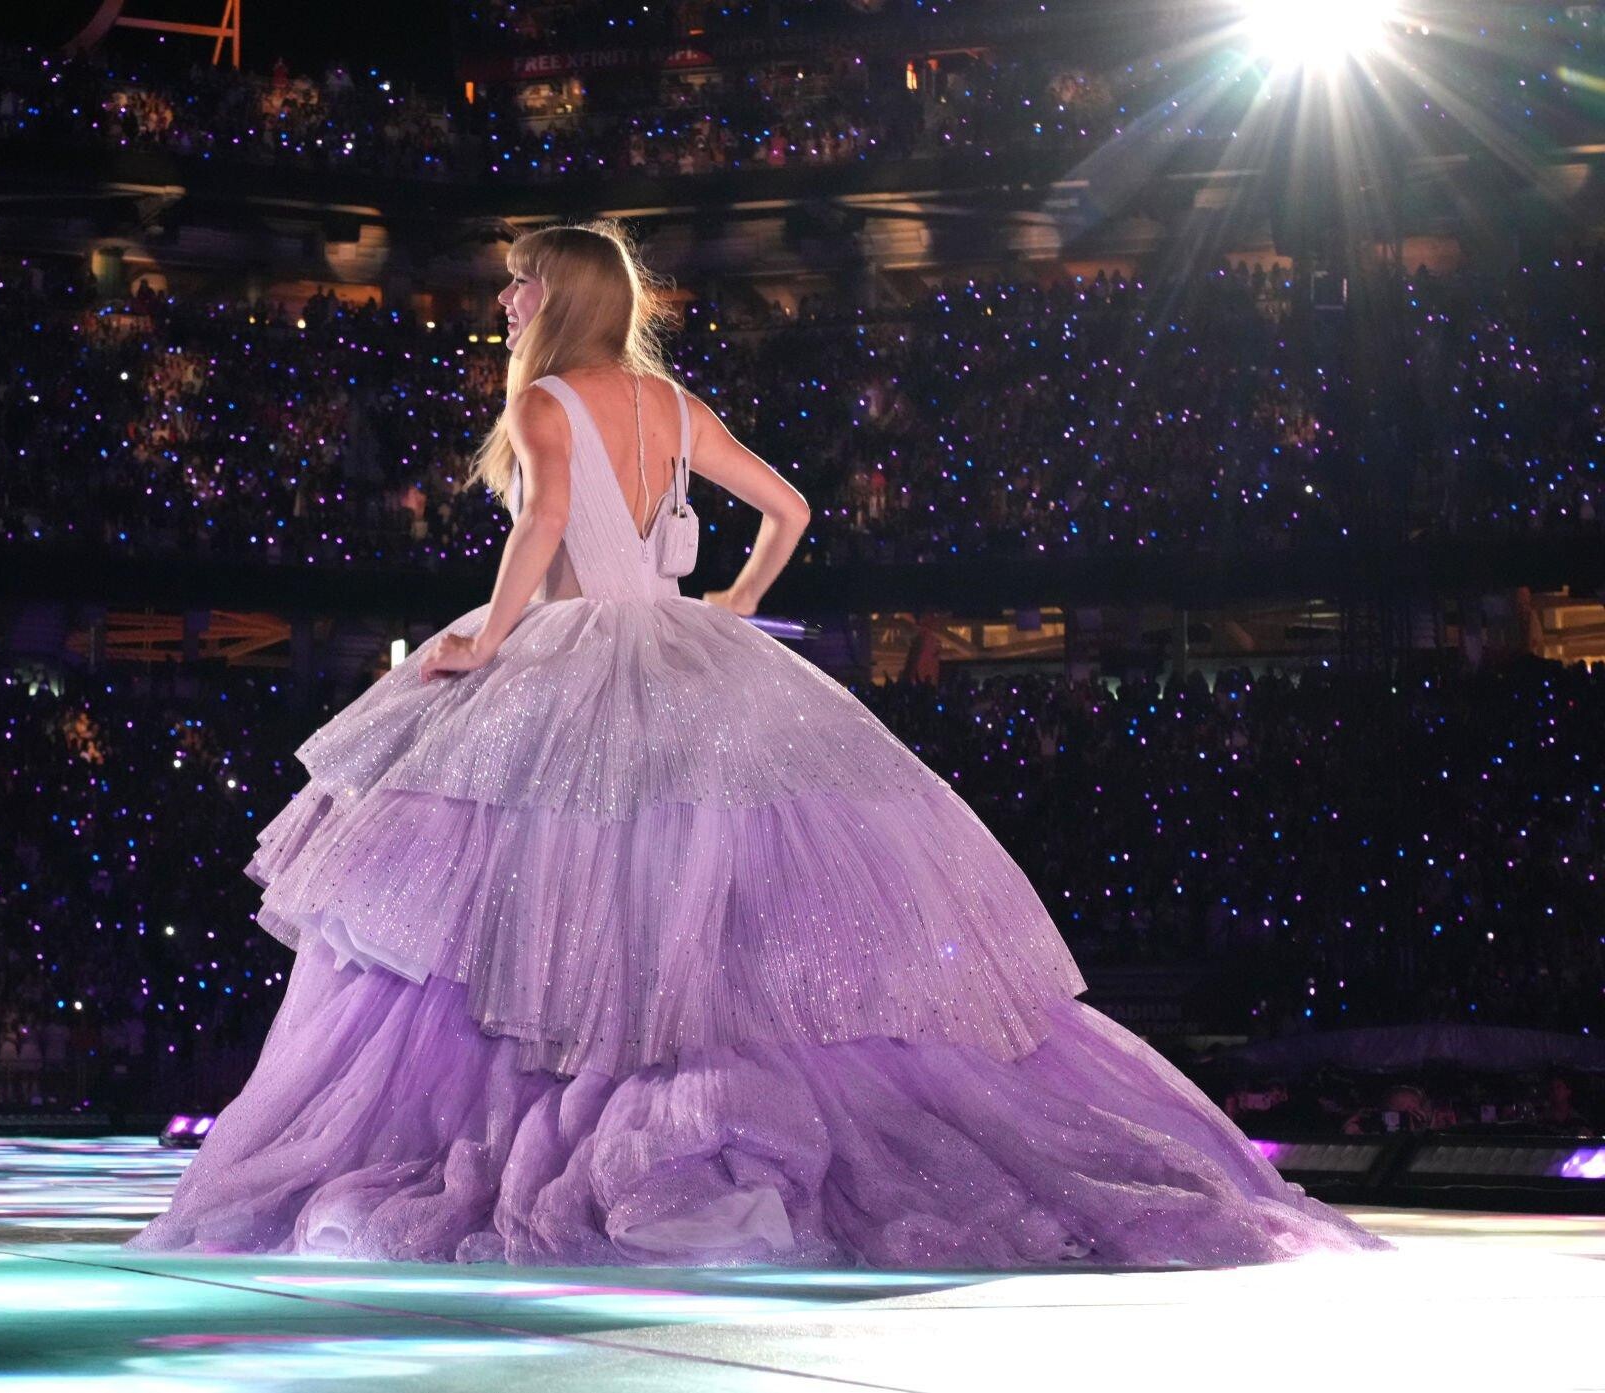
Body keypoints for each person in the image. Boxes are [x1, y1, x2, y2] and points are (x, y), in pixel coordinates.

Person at [125, 221, 1390, 1268]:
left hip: (572, 650)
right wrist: (728, 602)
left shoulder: (549, 403)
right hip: (685, 651)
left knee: (524, 896)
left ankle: (592, 1101)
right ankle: (668, 1091)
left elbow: (541, 530)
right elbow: (787, 505)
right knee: (684, 884)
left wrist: (483, 640)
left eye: (519, 281)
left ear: (559, 297)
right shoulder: (672, 403)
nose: (505, 299)